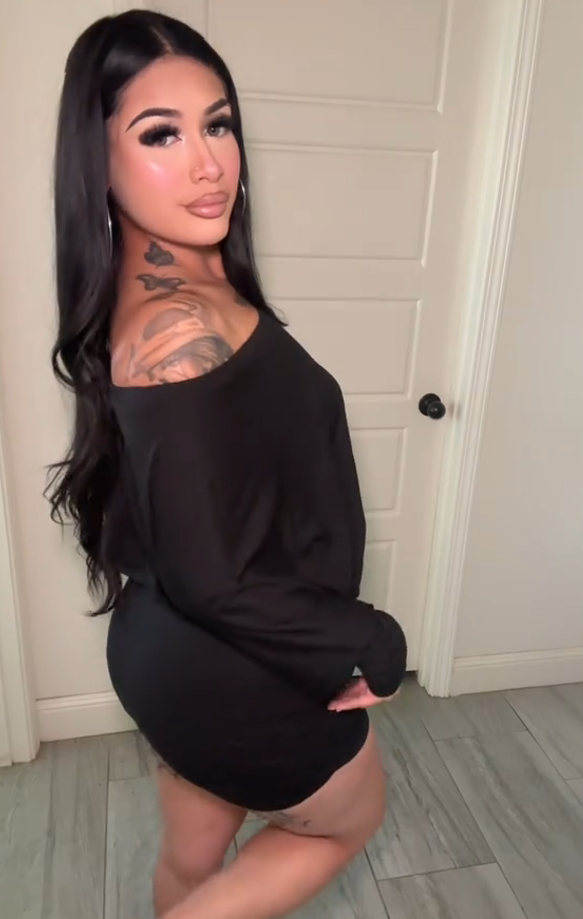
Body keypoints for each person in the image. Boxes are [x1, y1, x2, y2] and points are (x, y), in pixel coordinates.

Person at [46, 9, 407, 919]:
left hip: (168, 652)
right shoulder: (179, 331)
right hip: (231, 666)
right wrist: (369, 637)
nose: (209, 163)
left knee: (195, 858)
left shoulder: (186, 282)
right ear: (96, 158)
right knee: (340, 824)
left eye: (218, 124)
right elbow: (216, 580)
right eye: (160, 134)